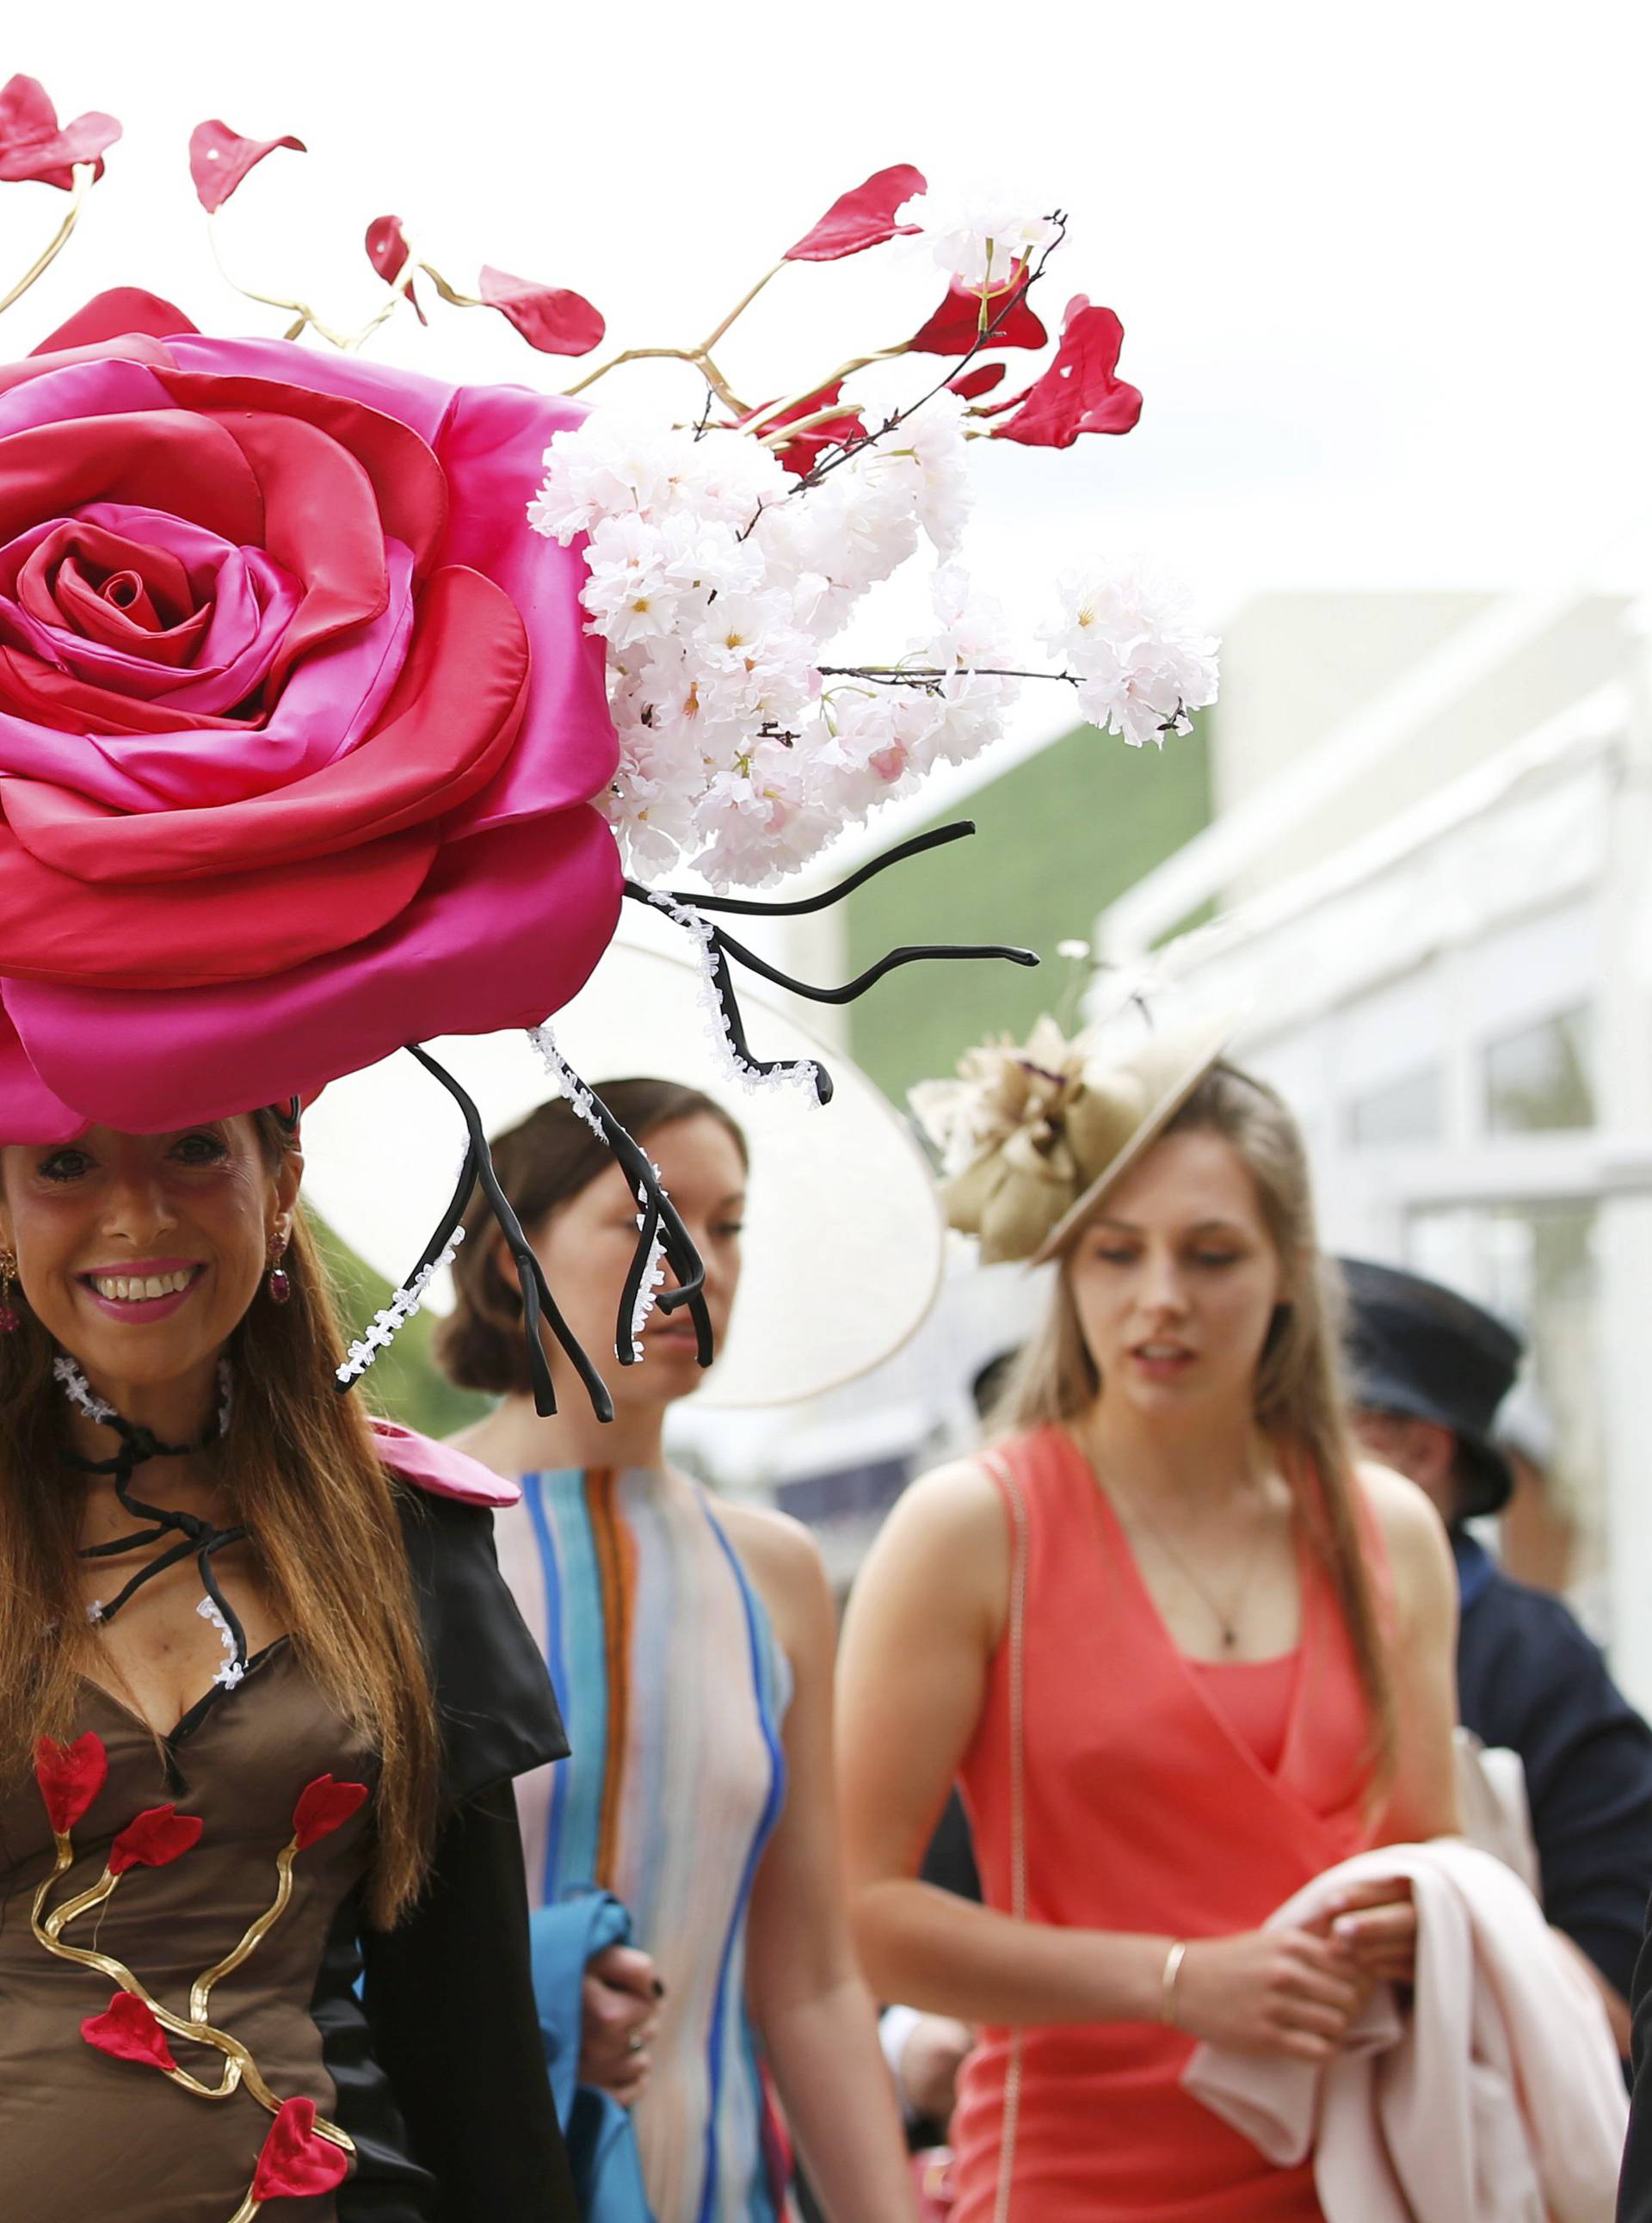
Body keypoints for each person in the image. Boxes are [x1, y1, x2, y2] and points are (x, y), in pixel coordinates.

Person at [840, 1016, 1461, 2221]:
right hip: (1073, 2179)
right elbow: (861, 1919)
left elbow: (1431, 1853)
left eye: (1213, 1254)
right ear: (1066, 1267)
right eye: (1116, 1253)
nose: (1160, 1300)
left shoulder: (1389, 1531)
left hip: (1368, 2170)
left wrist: (1412, 1914)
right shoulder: (972, 1529)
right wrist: (1178, 1982)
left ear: (1289, 1267)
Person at [0, 1109, 576, 2221]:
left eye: (194, 1148)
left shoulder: (405, 1535)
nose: (136, 1214)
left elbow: (474, 2052)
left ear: (280, 1183)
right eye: (66, 1164)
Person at [438, 1079, 918, 2223]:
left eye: (725, 1225)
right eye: (645, 1216)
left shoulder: (777, 1571)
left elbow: (810, 1981)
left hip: (727, 2192)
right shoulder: (391, 1528)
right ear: (514, 1252)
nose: (694, 1262)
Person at [1341, 1256, 1652, 2056]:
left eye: (1301, 1418)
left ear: (1417, 1453)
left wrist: (1450, 1931)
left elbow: (1620, 2000)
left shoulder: (1535, 1663)